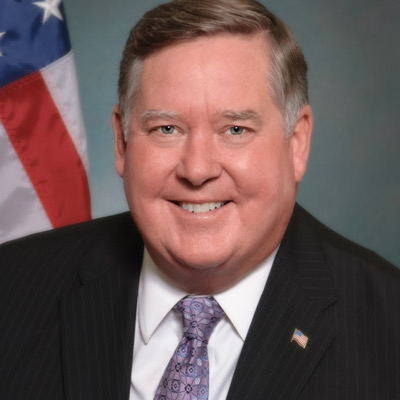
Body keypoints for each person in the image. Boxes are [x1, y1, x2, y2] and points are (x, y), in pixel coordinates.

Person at [1, 0, 399, 399]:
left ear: (297, 143)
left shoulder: (387, 328)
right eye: (167, 128)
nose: (196, 169)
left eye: (235, 129)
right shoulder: (12, 290)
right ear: (122, 141)